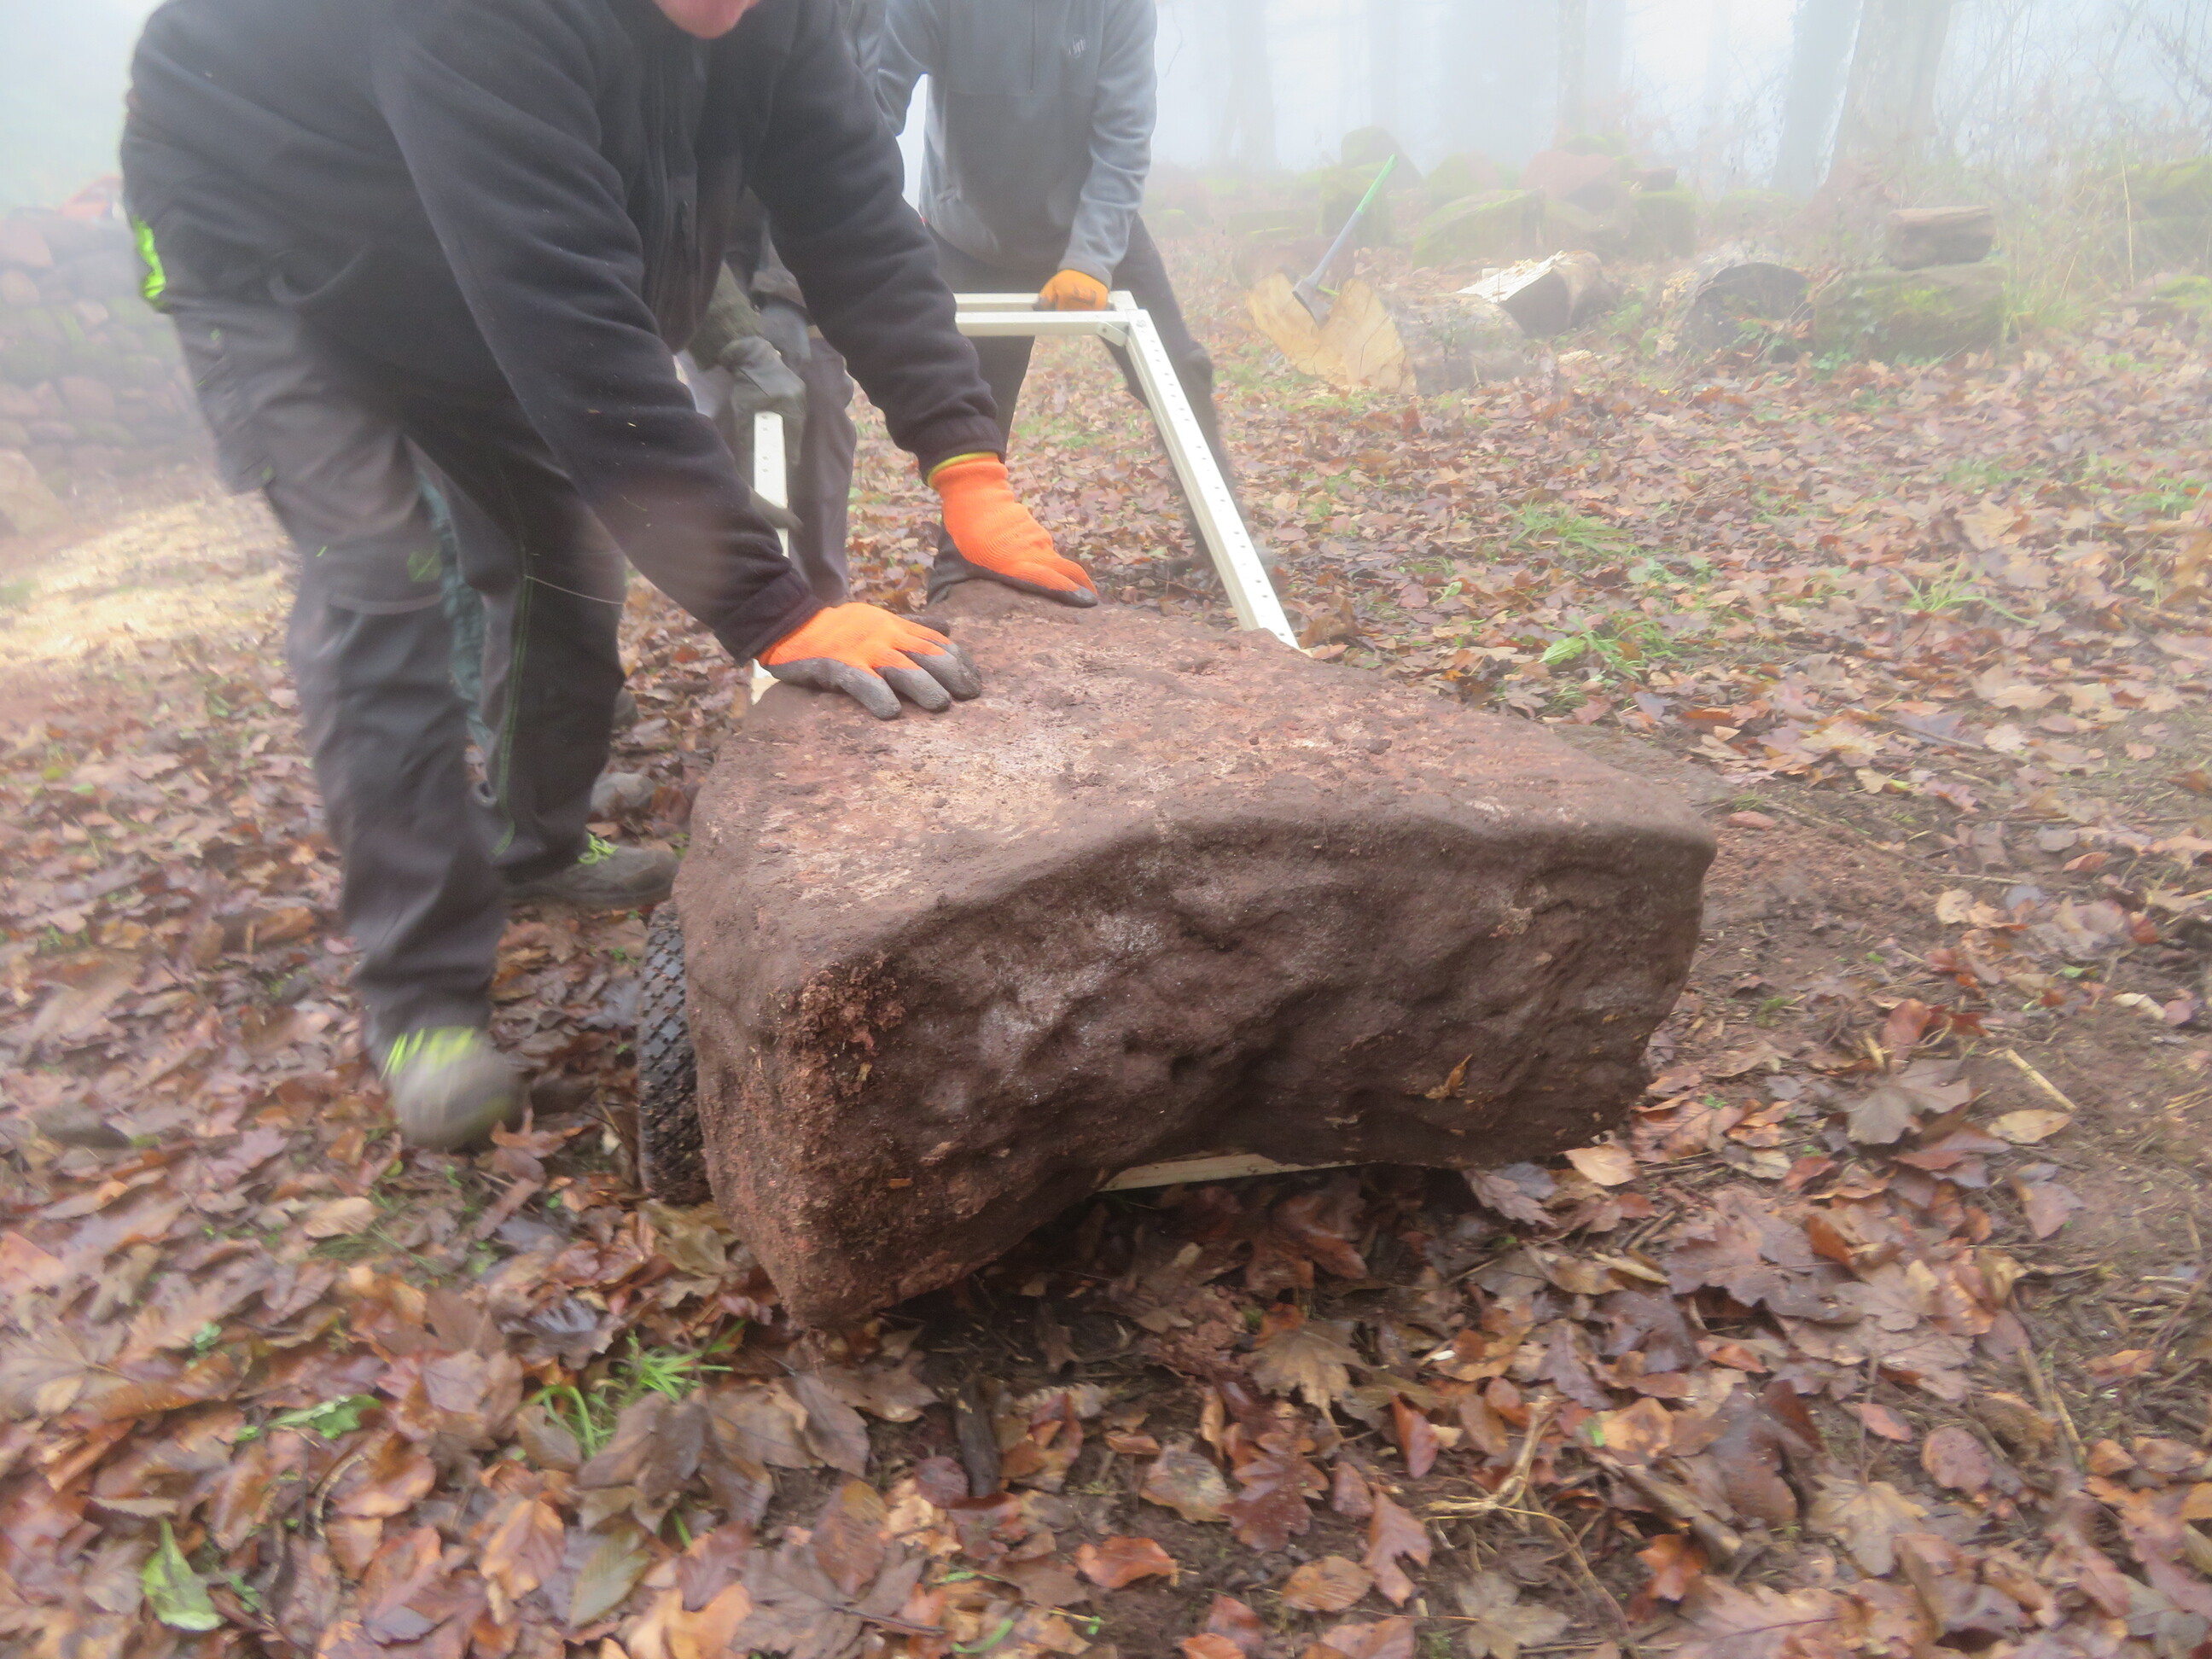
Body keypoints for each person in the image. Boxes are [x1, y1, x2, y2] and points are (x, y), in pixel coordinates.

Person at [125, 0, 1097, 1151]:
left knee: (561, 543)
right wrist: (774, 606)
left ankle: (534, 842)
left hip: (453, 239)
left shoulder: (781, 17)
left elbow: (850, 211)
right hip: (257, 235)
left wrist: (963, 456)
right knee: (379, 577)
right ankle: (424, 1008)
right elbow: (565, 310)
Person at [876, 0, 1237, 596]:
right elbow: (872, 109)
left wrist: (1091, 258)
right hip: (970, 233)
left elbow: (1124, 134)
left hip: (1095, 221)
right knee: (974, 403)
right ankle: (963, 566)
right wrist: (875, 218)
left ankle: (1223, 543)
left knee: (1180, 371)